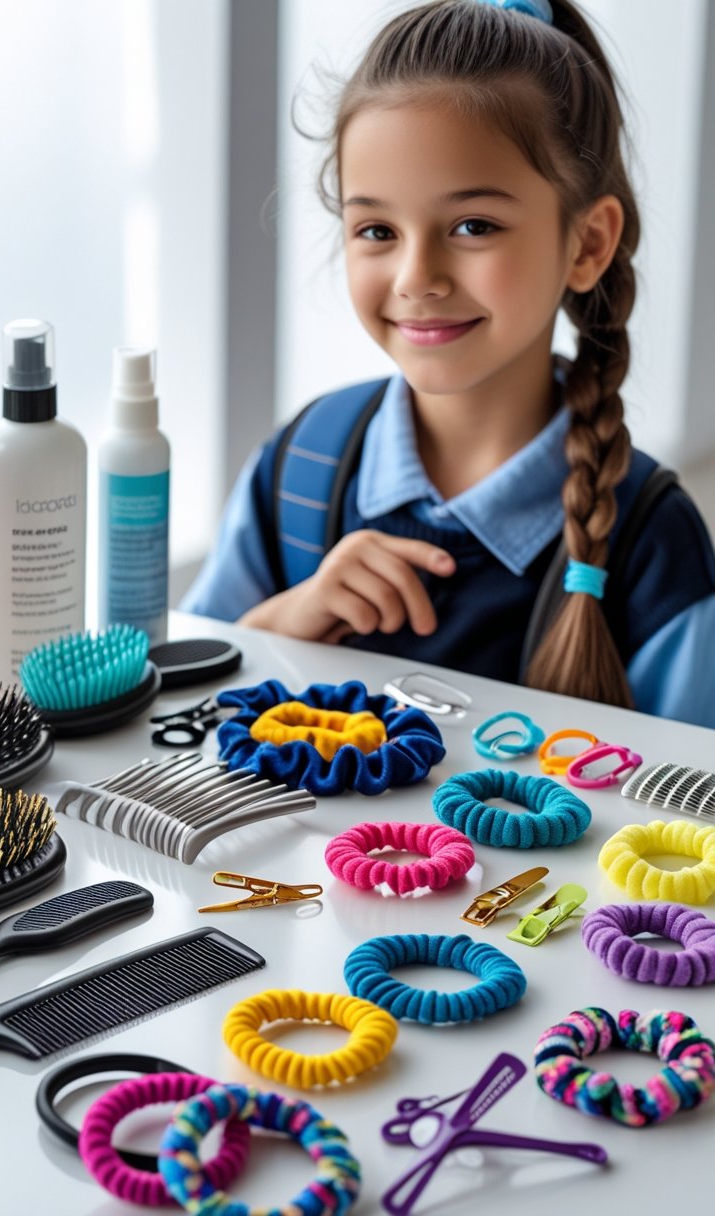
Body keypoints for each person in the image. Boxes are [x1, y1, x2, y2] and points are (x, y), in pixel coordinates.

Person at [183, 0, 715, 729]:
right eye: (376, 229)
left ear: (587, 243)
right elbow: (181, 715)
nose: (415, 276)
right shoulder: (298, 470)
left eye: (473, 226)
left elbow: (695, 818)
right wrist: (286, 622)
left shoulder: (651, 540)